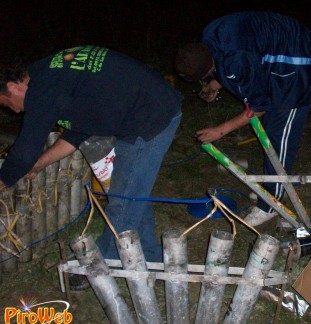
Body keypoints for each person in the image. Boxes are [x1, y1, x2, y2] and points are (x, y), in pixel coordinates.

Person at [0, 46, 183, 287]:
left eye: (5, 102)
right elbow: (78, 132)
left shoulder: (42, 88)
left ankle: (100, 266)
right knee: (133, 193)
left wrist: (4, 179)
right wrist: (40, 163)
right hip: (150, 105)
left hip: (149, 117)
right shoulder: (49, 75)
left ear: (14, 87)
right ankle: (151, 256)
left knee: (123, 198)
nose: (11, 109)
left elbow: (23, 152)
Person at [175, 11, 311, 226]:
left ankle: (271, 203)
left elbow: (257, 108)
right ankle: (270, 187)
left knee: (279, 133)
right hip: (273, 50)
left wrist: (220, 130)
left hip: (296, 55)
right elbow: (230, 62)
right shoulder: (208, 40)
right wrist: (215, 84)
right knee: (270, 129)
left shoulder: (236, 60)